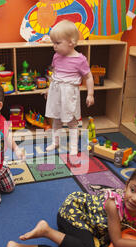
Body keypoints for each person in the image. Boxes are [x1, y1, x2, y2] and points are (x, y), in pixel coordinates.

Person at [0, 166, 136, 247]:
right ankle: (46, 230)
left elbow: (127, 228)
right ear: (127, 185)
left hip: (90, 225)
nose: (134, 198)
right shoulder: (114, 205)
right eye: (133, 190)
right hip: (73, 214)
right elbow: (118, 243)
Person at [44, 20, 95, 157]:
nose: (54, 46)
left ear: (71, 42)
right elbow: (54, 75)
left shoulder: (80, 59)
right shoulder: (56, 56)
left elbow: (89, 77)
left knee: (72, 121)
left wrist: (90, 94)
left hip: (69, 94)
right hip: (56, 91)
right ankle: (55, 142)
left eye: (57, 43)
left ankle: (73, 146)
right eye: (53, 43)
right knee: (56, 119)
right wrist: (49, 89)